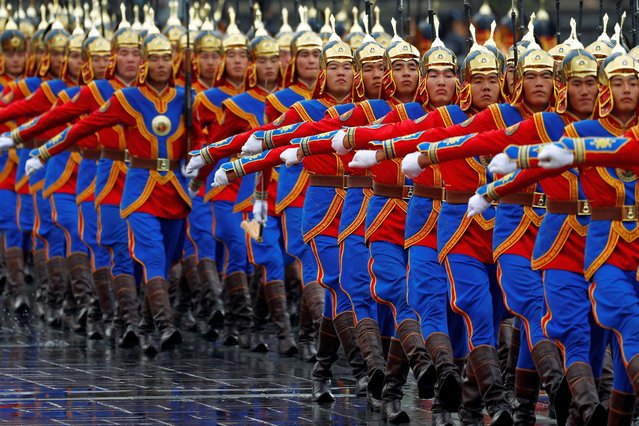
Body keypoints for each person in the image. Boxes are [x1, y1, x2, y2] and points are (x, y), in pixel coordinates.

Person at [28, 32, 206, 352]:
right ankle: (126, 318)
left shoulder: (184, 97)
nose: (132, 59)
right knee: (120, 249)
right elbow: (75, 125)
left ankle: (145, 319)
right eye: (125, 53)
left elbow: (200, 141)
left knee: (165, 257)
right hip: (117, 178)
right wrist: (38, 149)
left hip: (170, 185)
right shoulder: (107, 93)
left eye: (137, 53)